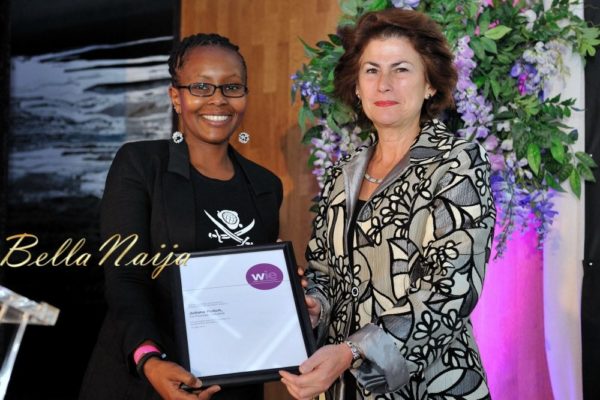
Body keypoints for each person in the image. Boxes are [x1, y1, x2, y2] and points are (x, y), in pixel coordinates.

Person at [280, 8, 496, 400]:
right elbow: (325, 271)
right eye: (371, 71)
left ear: (430, 84)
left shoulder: (457, 161)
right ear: (357, 87)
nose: (384, 85)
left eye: (401, 70)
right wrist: (314, 306)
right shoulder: (341, 173)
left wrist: (353, 351)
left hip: (432, 383)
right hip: (343, 385)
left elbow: (452, 287)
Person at [80, 33, 282, 400]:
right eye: (201, 86)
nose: (218, 99)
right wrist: (149, 359)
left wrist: (283, 289)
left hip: (232, 385)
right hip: (144, 379)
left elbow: (254, 288)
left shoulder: (266, 186)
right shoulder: (139, 165)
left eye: (232, 87)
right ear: (176, 96)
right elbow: (125, 278)